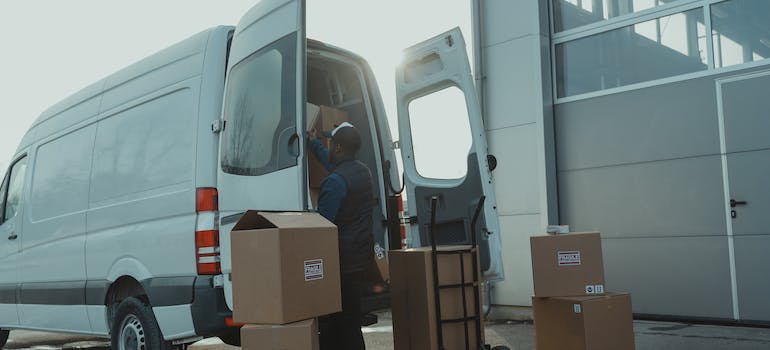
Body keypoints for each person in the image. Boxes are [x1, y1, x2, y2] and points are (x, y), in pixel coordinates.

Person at [308, 121, 373, 350]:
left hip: (340, 266)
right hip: (359, 262)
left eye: (330, 143)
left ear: (337, 148)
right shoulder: (362, 172)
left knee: (338, 328)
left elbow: (322, 227)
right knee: (351, 323)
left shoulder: (335, 182)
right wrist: (313, 143)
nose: (329, 147)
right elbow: (334, 165)